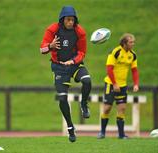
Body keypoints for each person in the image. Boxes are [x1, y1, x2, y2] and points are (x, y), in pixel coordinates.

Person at [40, 6, 91, 142]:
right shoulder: (52, 30)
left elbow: (82, 52)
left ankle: (84, 104)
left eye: (72, 20)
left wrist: (73, 61)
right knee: (62, 98)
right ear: (62, 20)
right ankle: (70, 128)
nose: (70, 22)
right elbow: (42, 49)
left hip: (74, 65)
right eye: (68, 20)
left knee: (87, 80)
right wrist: (50, 46)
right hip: (59, 67)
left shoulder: (80, 32)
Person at [97, 33, 139, 139]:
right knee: (107, 108)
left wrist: (136, 84)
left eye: (133, 42)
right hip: (110, 84)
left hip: (123, 86)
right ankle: (102, 132)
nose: (133, 44)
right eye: (131, 42)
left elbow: (134, 71)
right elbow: (109, 68)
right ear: (124, 43)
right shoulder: (115, 52)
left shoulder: (132, 55)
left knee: (122, 108)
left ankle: (121, 135)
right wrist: (114, 83)